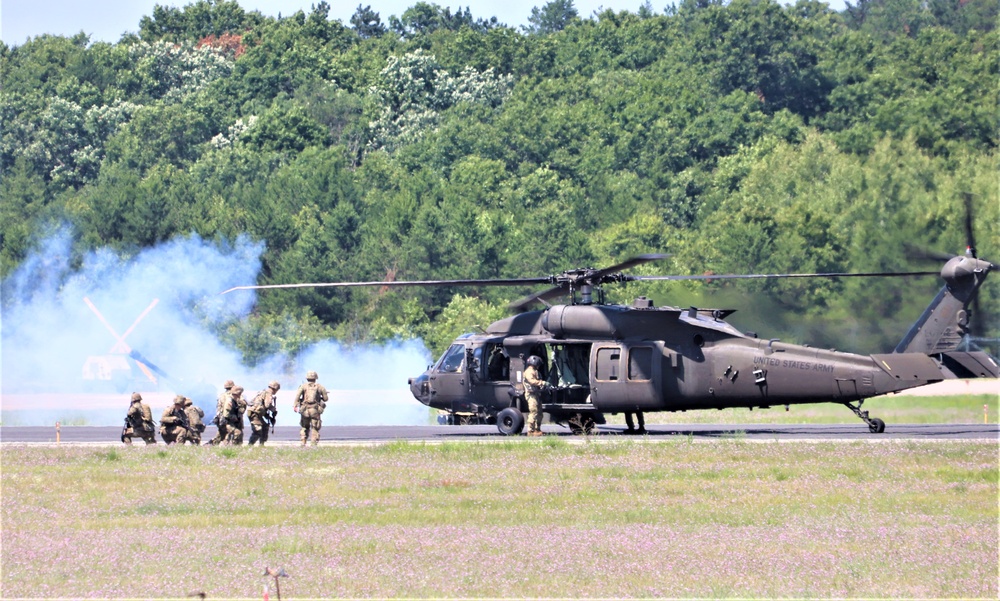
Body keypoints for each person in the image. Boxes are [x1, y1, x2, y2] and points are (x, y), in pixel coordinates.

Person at [293, 371, 328, 446]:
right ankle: (313, 443)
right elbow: (326, 399)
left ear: (307, 378)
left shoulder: (303, 386)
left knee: (304, 426)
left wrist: (295, 405)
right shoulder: (320, 387)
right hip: (315, 410)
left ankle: (303, 441)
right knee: (315, 427)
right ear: (316, 378)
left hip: (305, 409)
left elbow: (297, 397)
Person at [247, 381, 280, 446]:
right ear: (275, 389)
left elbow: (262, 407)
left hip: (257, 414)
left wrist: (269, 417)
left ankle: (261, 444)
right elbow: (267, 405)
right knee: (258, 430)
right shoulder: (268, 394)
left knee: (265, 427)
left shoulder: (263, 392)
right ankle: (250, 445)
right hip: (255, 414)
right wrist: (273, 410)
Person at [523, 355, 547, 437]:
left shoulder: (535, 371)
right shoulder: (529, 371)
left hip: (536, 394)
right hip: (531, 395)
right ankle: (530, 431)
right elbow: (532, 381)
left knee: (539, 412)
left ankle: (537, 429)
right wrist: (542, 382)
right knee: (533, 411)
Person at [207, 379, 235, 445]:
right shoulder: (233, 395)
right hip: (229, 417)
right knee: (229, 433)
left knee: (221, 434)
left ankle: (210, 444)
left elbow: (218, 408)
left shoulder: (221, 396)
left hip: (221, 418)